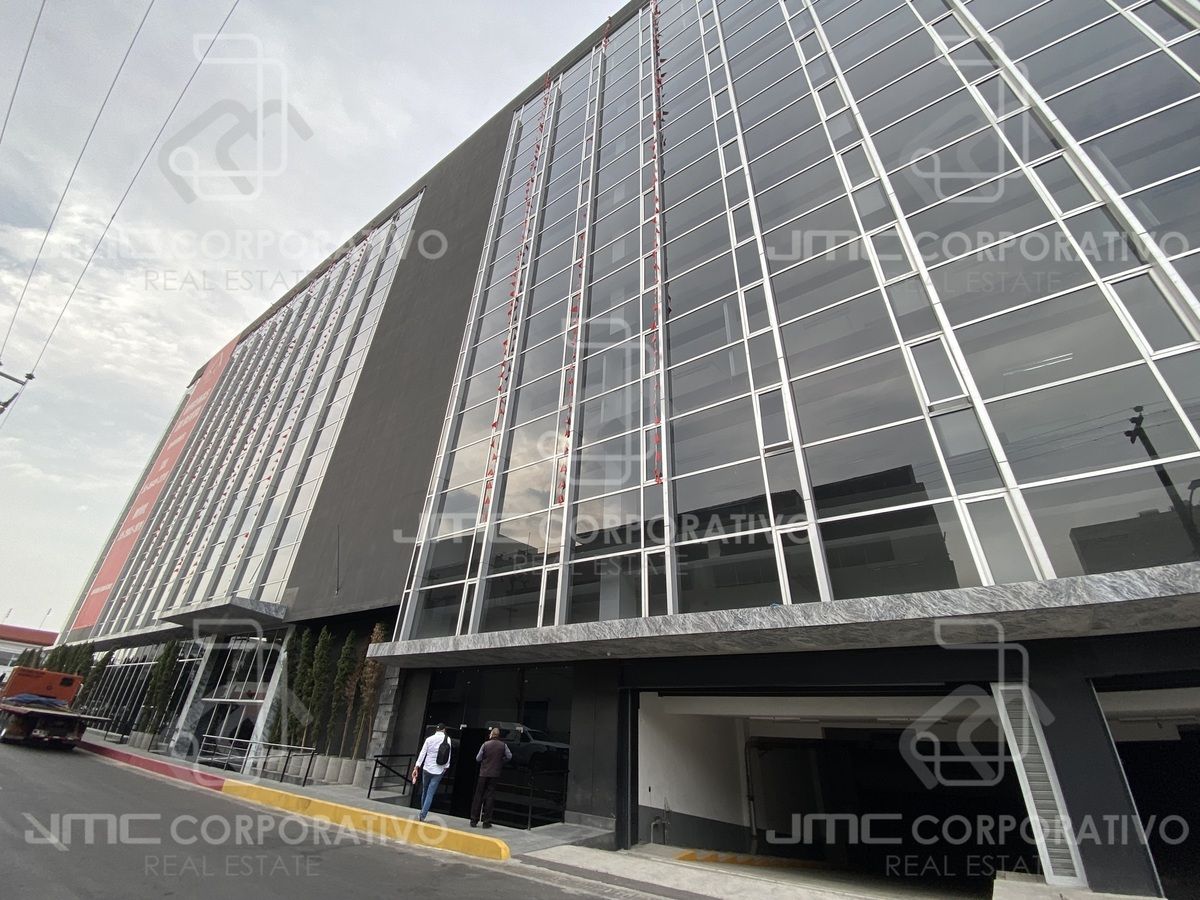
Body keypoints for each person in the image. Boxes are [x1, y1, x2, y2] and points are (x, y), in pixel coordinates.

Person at [469, 726, 512, 828]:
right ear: (498, 735)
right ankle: (486, 822)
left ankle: (473, 820)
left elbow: (478, 758)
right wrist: (501, 761)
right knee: (490, 797)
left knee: (478, 796)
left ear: (492, 734)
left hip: (483, 773)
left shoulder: (485, 744)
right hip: (495, 774)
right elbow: (509, 756)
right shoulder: (503, 745)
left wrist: (485, 760)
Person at [412, 723, 452, 822]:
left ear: (436, 730)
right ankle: (423, 815)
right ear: (444, 730)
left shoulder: (429, 739)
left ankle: (422, 810)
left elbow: (422, 753)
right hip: (438, 770)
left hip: (427, 768)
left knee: (425, 790)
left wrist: (417, 766)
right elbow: (448, 754)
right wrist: (446, 767)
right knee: (430, 793)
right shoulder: (447, 739)